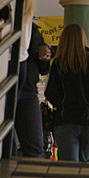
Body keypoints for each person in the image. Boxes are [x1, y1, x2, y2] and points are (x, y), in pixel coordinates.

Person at [45, 22, 89, 162]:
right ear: (83, 39)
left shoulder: (58, 64)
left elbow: (50, 94)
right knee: (85, 163)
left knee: (70, 168)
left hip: (65, 121)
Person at [14, 22, 51, 157]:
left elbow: (44, 69)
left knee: (35, 147)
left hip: (27, 90)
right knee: (6, 144)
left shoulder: (33, 30)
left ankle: (33, 177)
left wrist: (44, 58)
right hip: (10, 89)